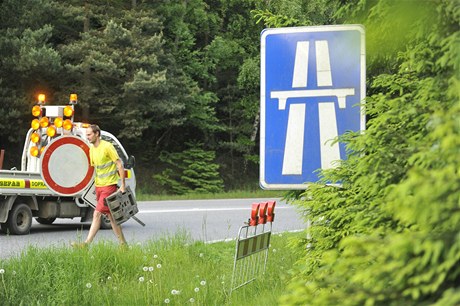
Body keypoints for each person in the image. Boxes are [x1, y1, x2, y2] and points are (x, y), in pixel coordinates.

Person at [72, 124, 127, 247]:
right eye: (86, 135)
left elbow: (119, 165)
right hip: (98, 187)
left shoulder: (107, 146)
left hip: (109, 186)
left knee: (96, 214)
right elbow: (94, 169)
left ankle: (86, 244)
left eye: (89, 134)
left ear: (97, 134)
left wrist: (122, 185)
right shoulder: (92, 149)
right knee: (111, 217)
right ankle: (123, 244)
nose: (87, 137)